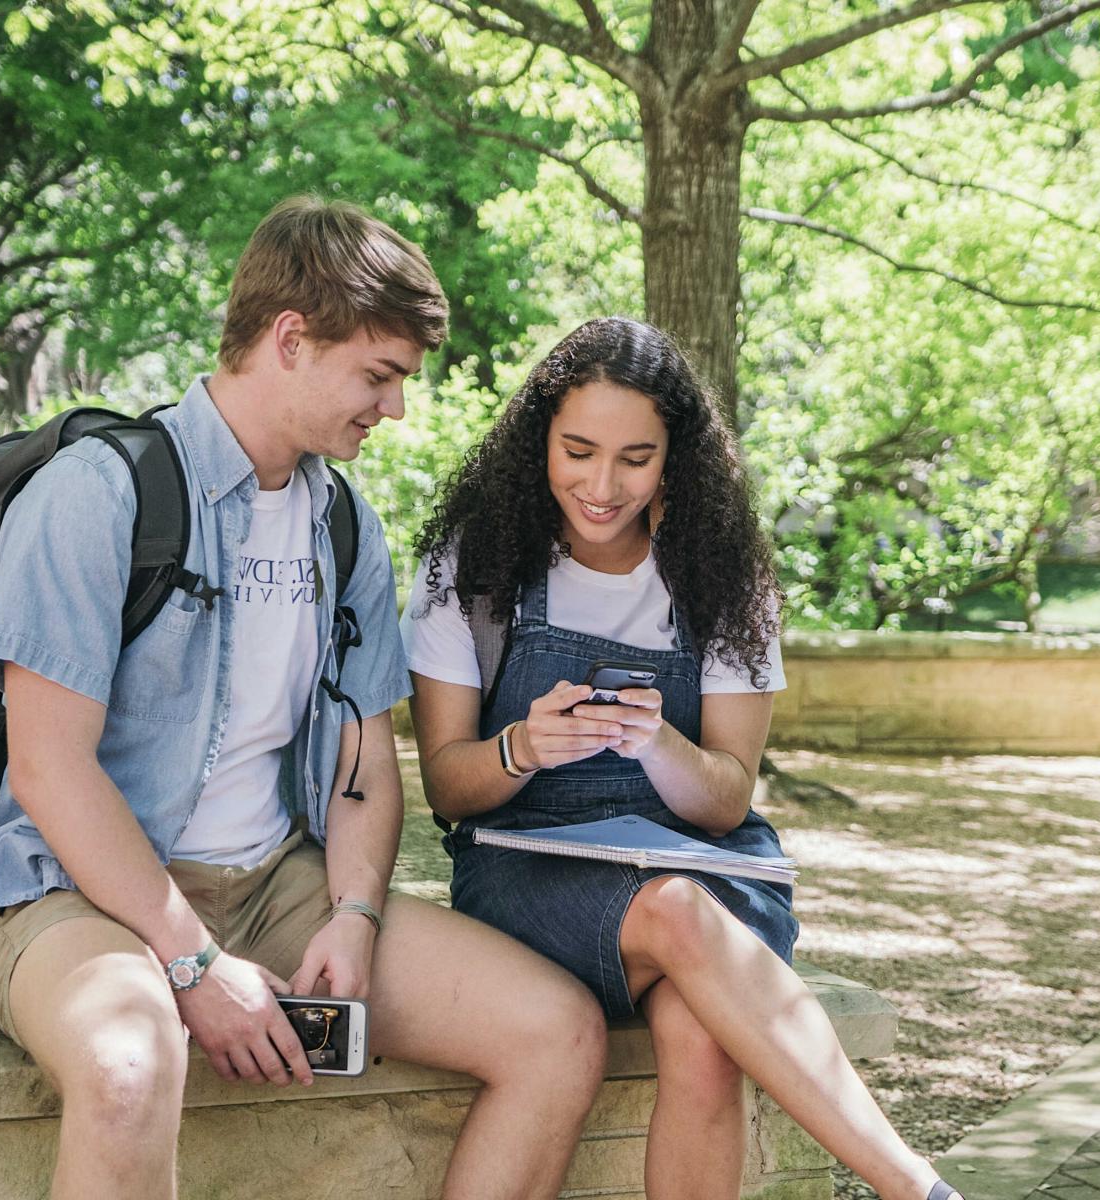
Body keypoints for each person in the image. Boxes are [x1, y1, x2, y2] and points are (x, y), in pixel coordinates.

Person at [0, 196, 607, 1200]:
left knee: (557, 1033)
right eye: (380, 376)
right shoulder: (102, 492)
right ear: (292, 339)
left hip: (272, 883)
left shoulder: (343, 523)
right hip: (72, 893)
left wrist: (351, 916)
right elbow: (48, 766)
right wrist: (191, 963)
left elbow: (360, 762)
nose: (394, 408)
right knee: (131, 1069)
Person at [405, 317, 963, 1200]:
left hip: (696, 854)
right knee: (679, 915)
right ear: (537, 439)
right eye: (578, 450)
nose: (601, 484)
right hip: (528, 866)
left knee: (703, 1036)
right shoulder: (473, 566)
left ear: (676, 458)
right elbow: (447, 785)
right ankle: (913, 1187)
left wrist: (659, 743)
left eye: (635, 458)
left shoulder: (721, 577)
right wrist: (521, 747)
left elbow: (726, 802)